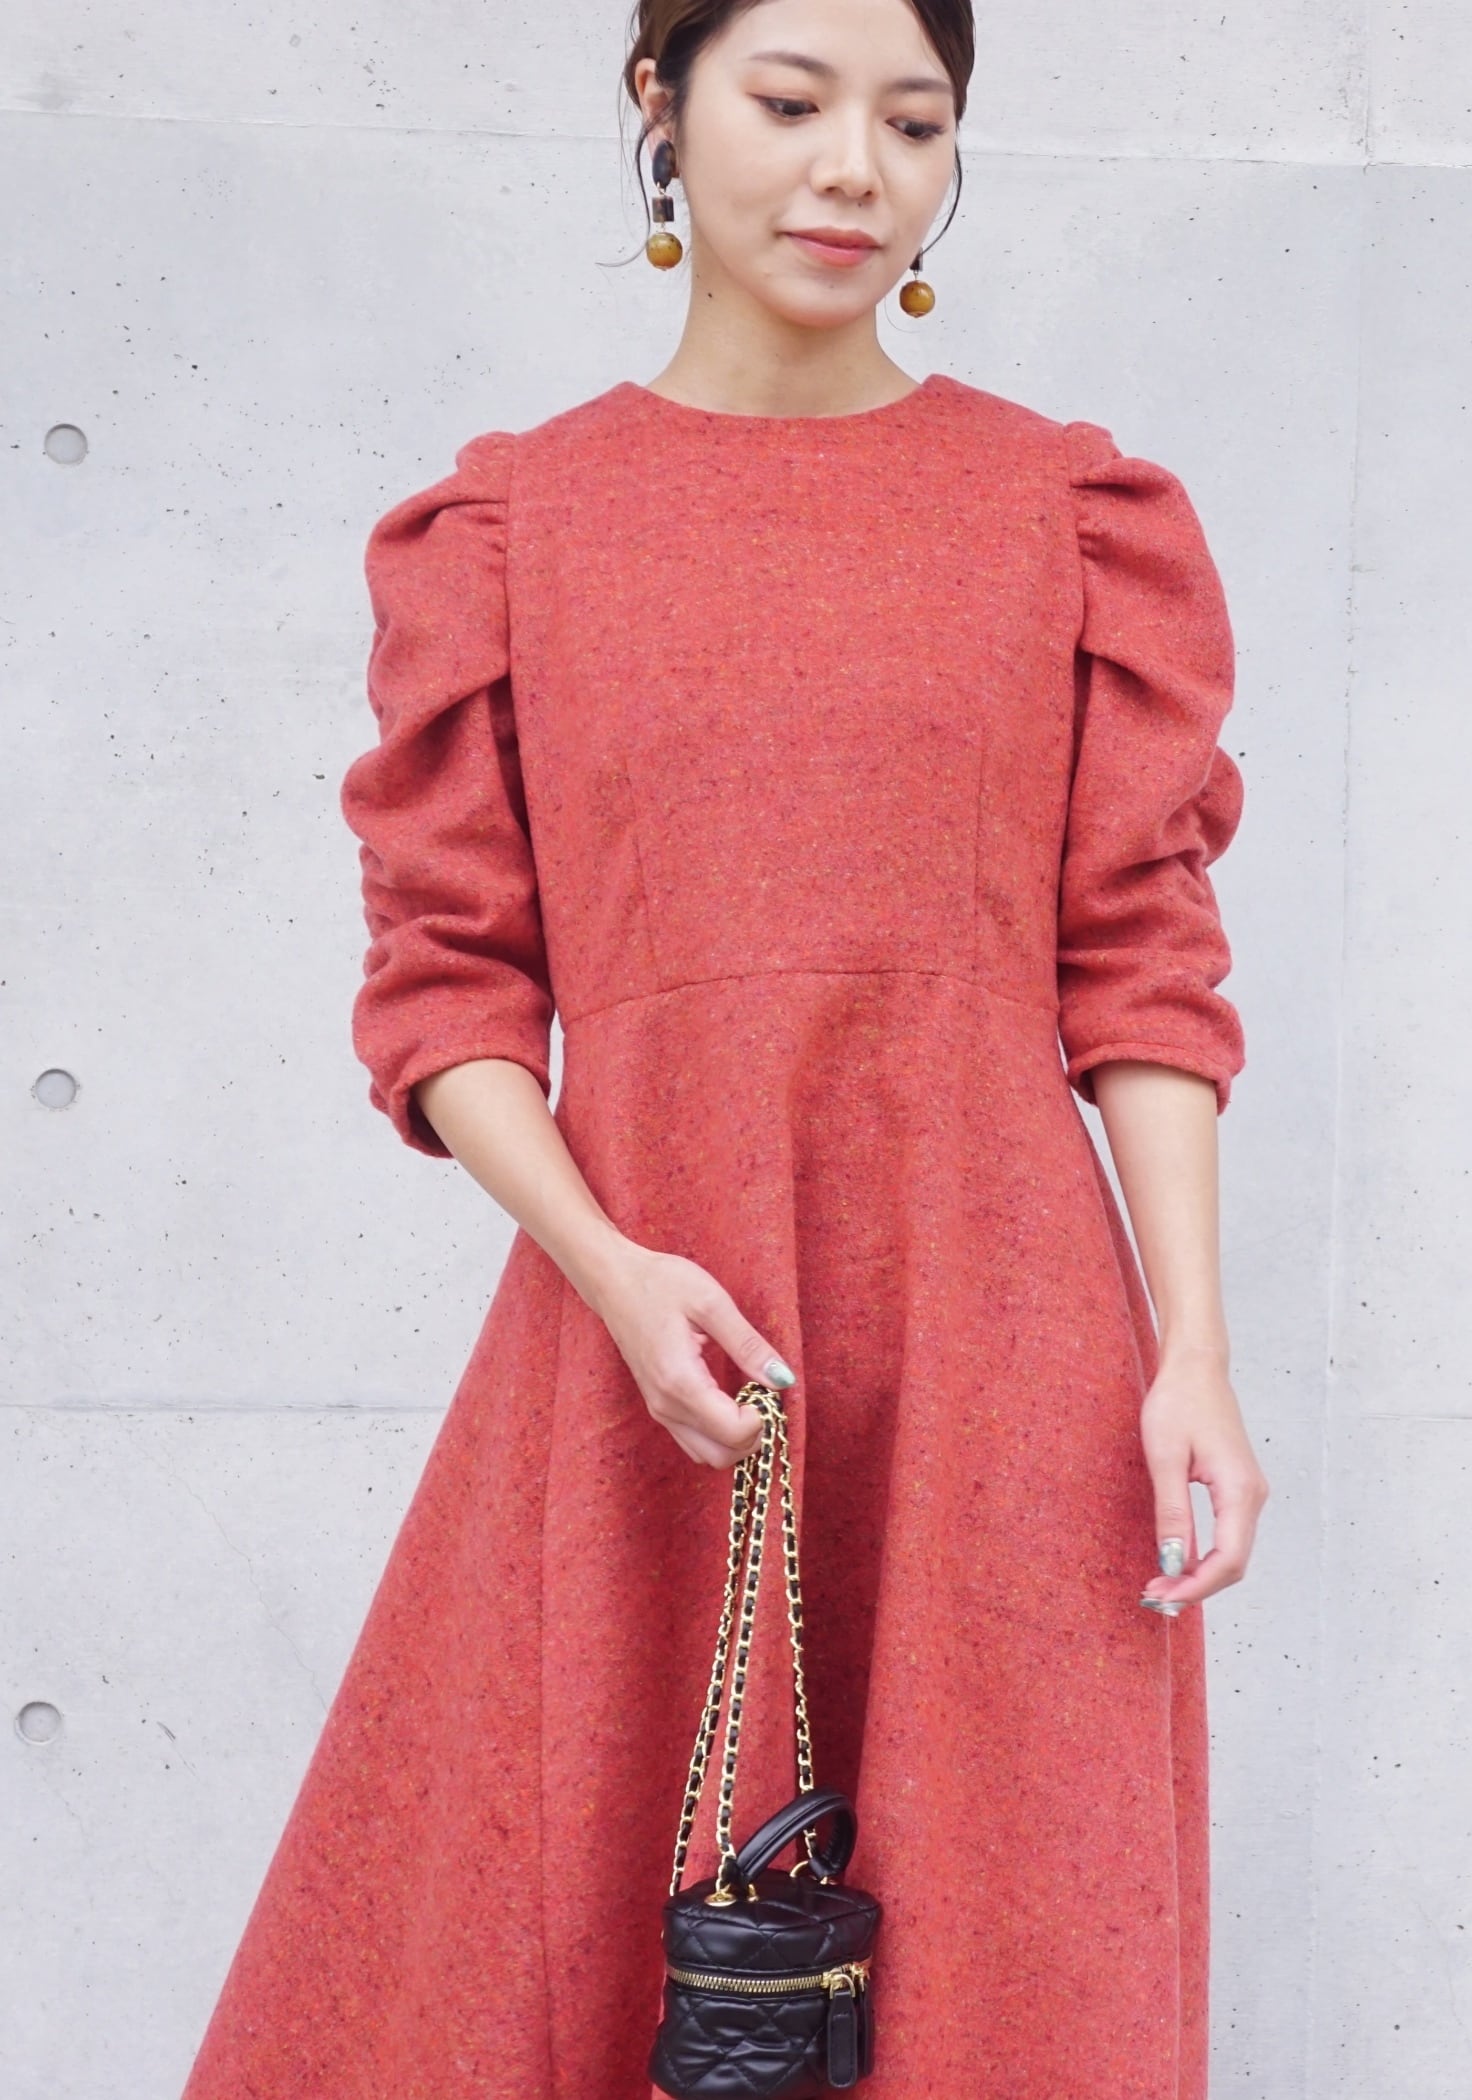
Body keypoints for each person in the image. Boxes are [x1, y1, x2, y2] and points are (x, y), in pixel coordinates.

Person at [181, 1, 1267, 2094]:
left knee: (1018, 1935)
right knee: (536, 1930)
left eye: (915, 120)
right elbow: (450, 983)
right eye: (792, 101)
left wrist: (1193, 1352)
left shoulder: (1064, 514)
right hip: (644, 1342)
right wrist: (611, 1268)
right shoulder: (518, 529)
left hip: (1002, 1347)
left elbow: (1141, 958)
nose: (856, 166)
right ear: (662, 110)